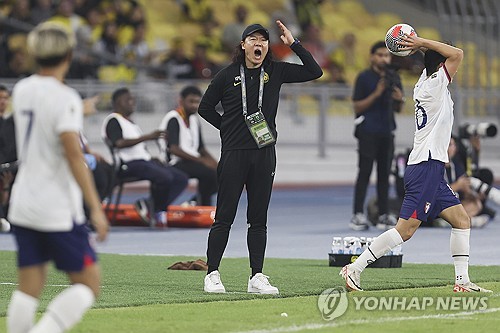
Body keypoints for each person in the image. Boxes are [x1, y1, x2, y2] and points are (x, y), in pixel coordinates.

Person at [340, 34, 492, 293]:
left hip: (431, 167)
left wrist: (424, 49)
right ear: (441, 65)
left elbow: (447, 57)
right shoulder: (434, 85)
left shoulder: (424, 82)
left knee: (461, 220)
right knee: (405, 230)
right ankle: (355, 267)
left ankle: (462, 281)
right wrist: (421, 42)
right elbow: (458, 53)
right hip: (426, 168)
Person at [198, 21, 322, 294]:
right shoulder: (227, 75)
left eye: (263, 40)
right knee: (225, 216)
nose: (259, 44)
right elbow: (204, 108)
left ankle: (256, 276)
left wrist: (294, 44)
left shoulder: (275, 71)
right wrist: (227, 128)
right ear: (243, 45)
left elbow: (315, 71)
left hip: (264, 153)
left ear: (268, 47)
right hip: (234, 153)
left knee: (258, 218)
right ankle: (212, 273)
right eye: (253, 39)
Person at [6, 22, 109, 333]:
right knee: (89, 283)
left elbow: (45, 116)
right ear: (69, 53)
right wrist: (96, 207)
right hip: (56, 208)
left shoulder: (22, 89)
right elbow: (74, 156)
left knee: (29, 285)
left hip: (24, 201)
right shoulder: (65, 98)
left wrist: (79, 109)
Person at [102, 87, 189, 226]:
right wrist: (148, 137)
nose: (132, 102)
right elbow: (118, 143)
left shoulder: (130, 123)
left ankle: (149, 205)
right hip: (127, 164)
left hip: (143, 162)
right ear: (118, 102)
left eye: (133, 100)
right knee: (164, 177)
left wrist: (150, 157)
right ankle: (158, 211)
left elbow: (138, 148)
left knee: (181, 178)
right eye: (128, 100)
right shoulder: (113, 120)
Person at [350, 41, 404, 231]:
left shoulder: (393, 77)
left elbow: (398, 107)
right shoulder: (364, 77)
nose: (384, 59)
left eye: (387, 55)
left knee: (384, 175)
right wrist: (377, 93)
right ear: (372, 56)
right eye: (380, 55)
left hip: (387, 131)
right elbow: (357, 106)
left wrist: (399, 99)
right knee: (364, 173)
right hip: (367, 131)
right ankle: (357, 214)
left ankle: (383, 214)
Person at [159, 85, 218, 206]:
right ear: (181, 101)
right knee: (209, 175)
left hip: (190, 161)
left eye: (197, 102)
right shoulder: (173, 118)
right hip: (173, 163)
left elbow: (201, 148)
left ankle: (197, 202)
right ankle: (198, 203)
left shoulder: (195, 120)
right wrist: (202, 161)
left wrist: (216, 164)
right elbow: (174, 149)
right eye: (191, 101)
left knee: (221, 174)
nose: (194, 105)